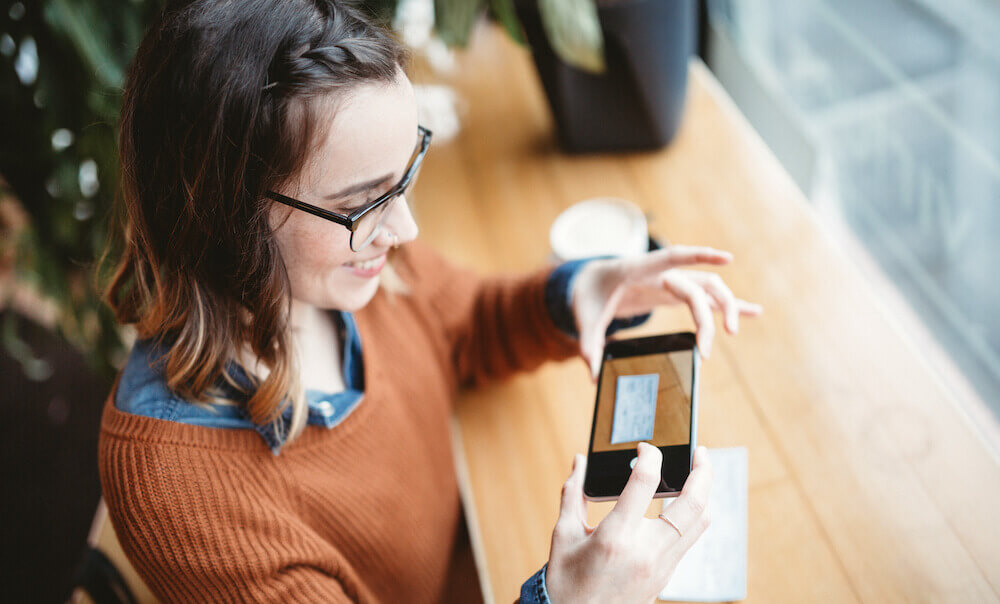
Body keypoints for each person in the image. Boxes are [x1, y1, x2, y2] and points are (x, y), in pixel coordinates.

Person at [97, 0, 762, 602]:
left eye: (405, 175)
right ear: (220, 213)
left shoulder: (348, 261)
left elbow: (464, 324)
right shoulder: (178, 489)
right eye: (362, 203)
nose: (406, 230)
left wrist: (578, 291)